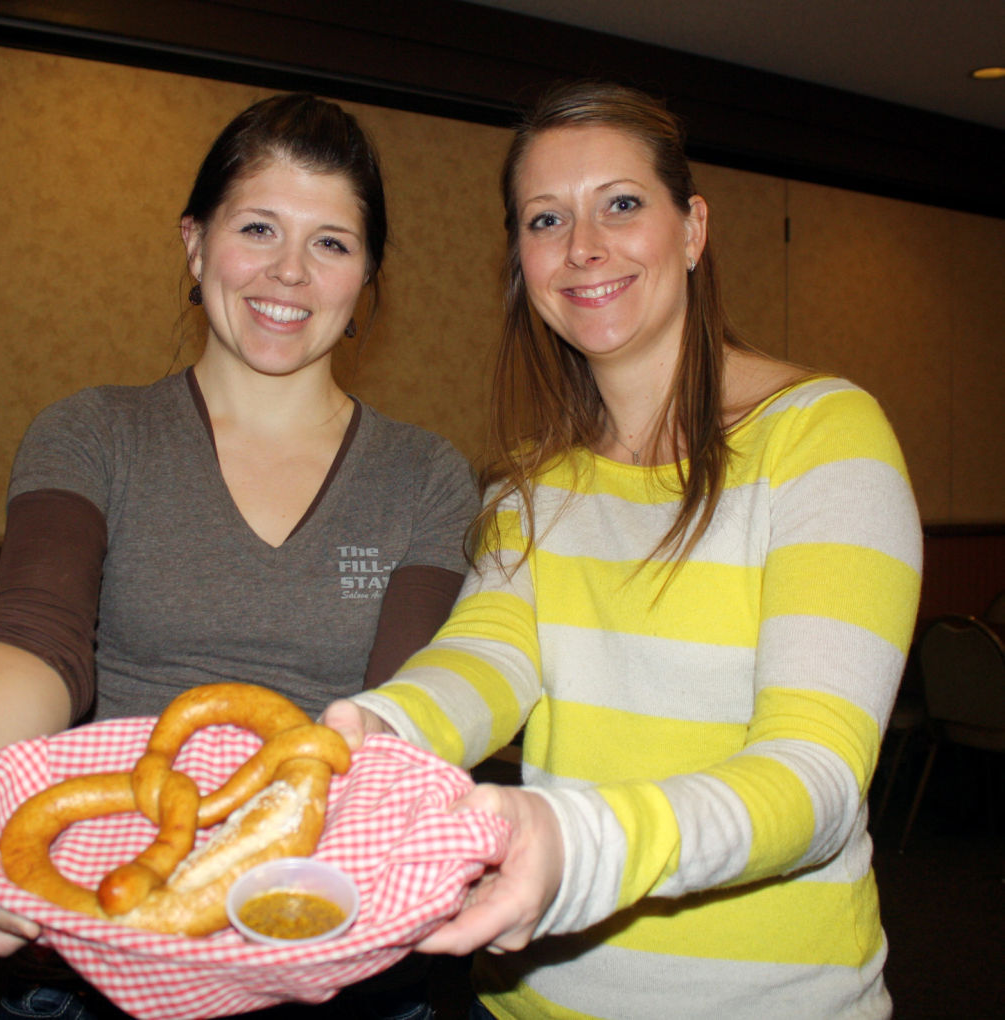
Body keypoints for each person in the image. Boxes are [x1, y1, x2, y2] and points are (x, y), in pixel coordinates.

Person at [323, 79, 923, 1019]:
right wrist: (371, 733)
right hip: (521, 1000)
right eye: (546, 218)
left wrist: (579, 847)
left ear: (691, 229)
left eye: (622, 204)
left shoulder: (824, 439)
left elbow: (817, 781)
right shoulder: (534, 480)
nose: (583, 247)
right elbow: (488, 654)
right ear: (519, 258)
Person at [0, 93, 478, 1019]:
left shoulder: (426, 474)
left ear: (366, 277)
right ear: (196, 243)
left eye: (331, 242)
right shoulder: (93, 433)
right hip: (101, 939)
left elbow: (401, 712)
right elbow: (33, 628)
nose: (289, 272)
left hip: (331, 940)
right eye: (258, 227)